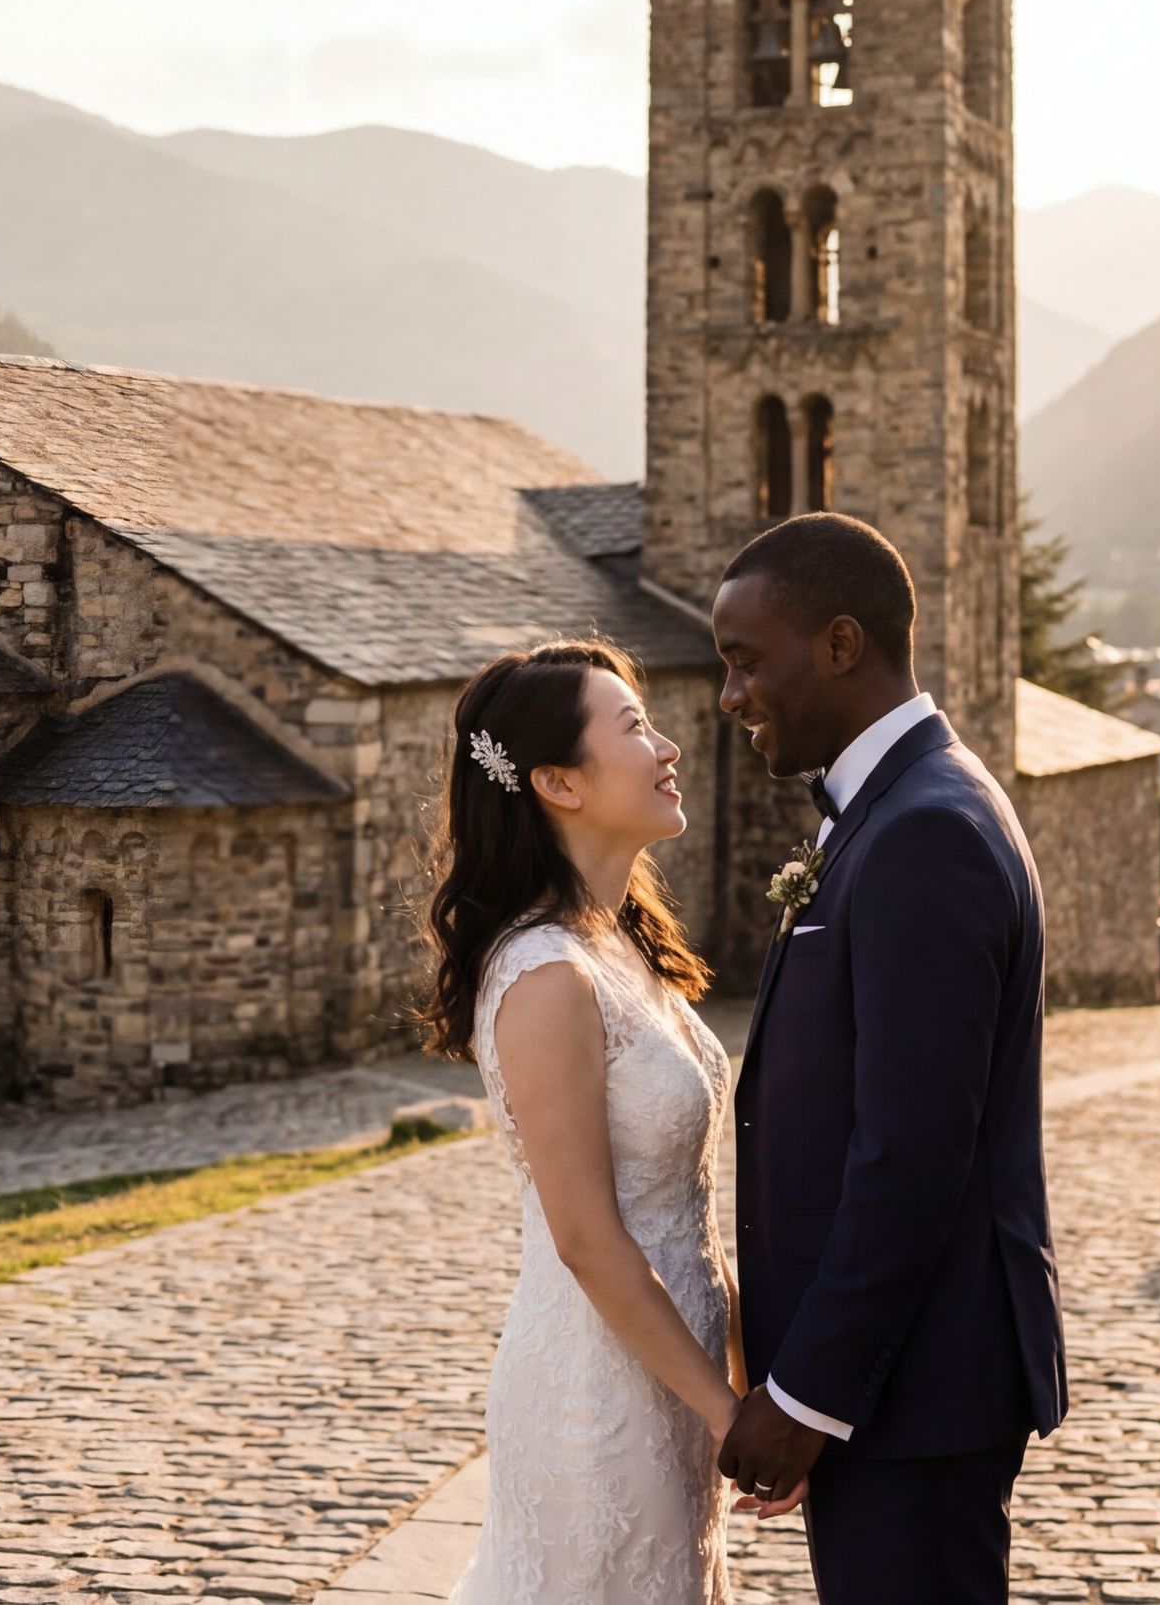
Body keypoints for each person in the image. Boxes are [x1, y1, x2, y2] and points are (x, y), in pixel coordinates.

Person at [708, 512, 1068, 1601]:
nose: (730, 697)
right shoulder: (896, 808)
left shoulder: (926, 831)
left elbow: (911, 1152)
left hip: (918, 1387)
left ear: (840, 643)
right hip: (900, 1386)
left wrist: (808, 1394)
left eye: (743, 660)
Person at [415, 638, 740, 1603]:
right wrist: (727, 1411)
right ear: (556, 780)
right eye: (636, 726)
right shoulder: (547, 974)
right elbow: (588, 1237)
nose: (670, 746)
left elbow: (691, 1205)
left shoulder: (622, 949)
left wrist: (743, 1380)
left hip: (675, 1371)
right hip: (598, 1390)